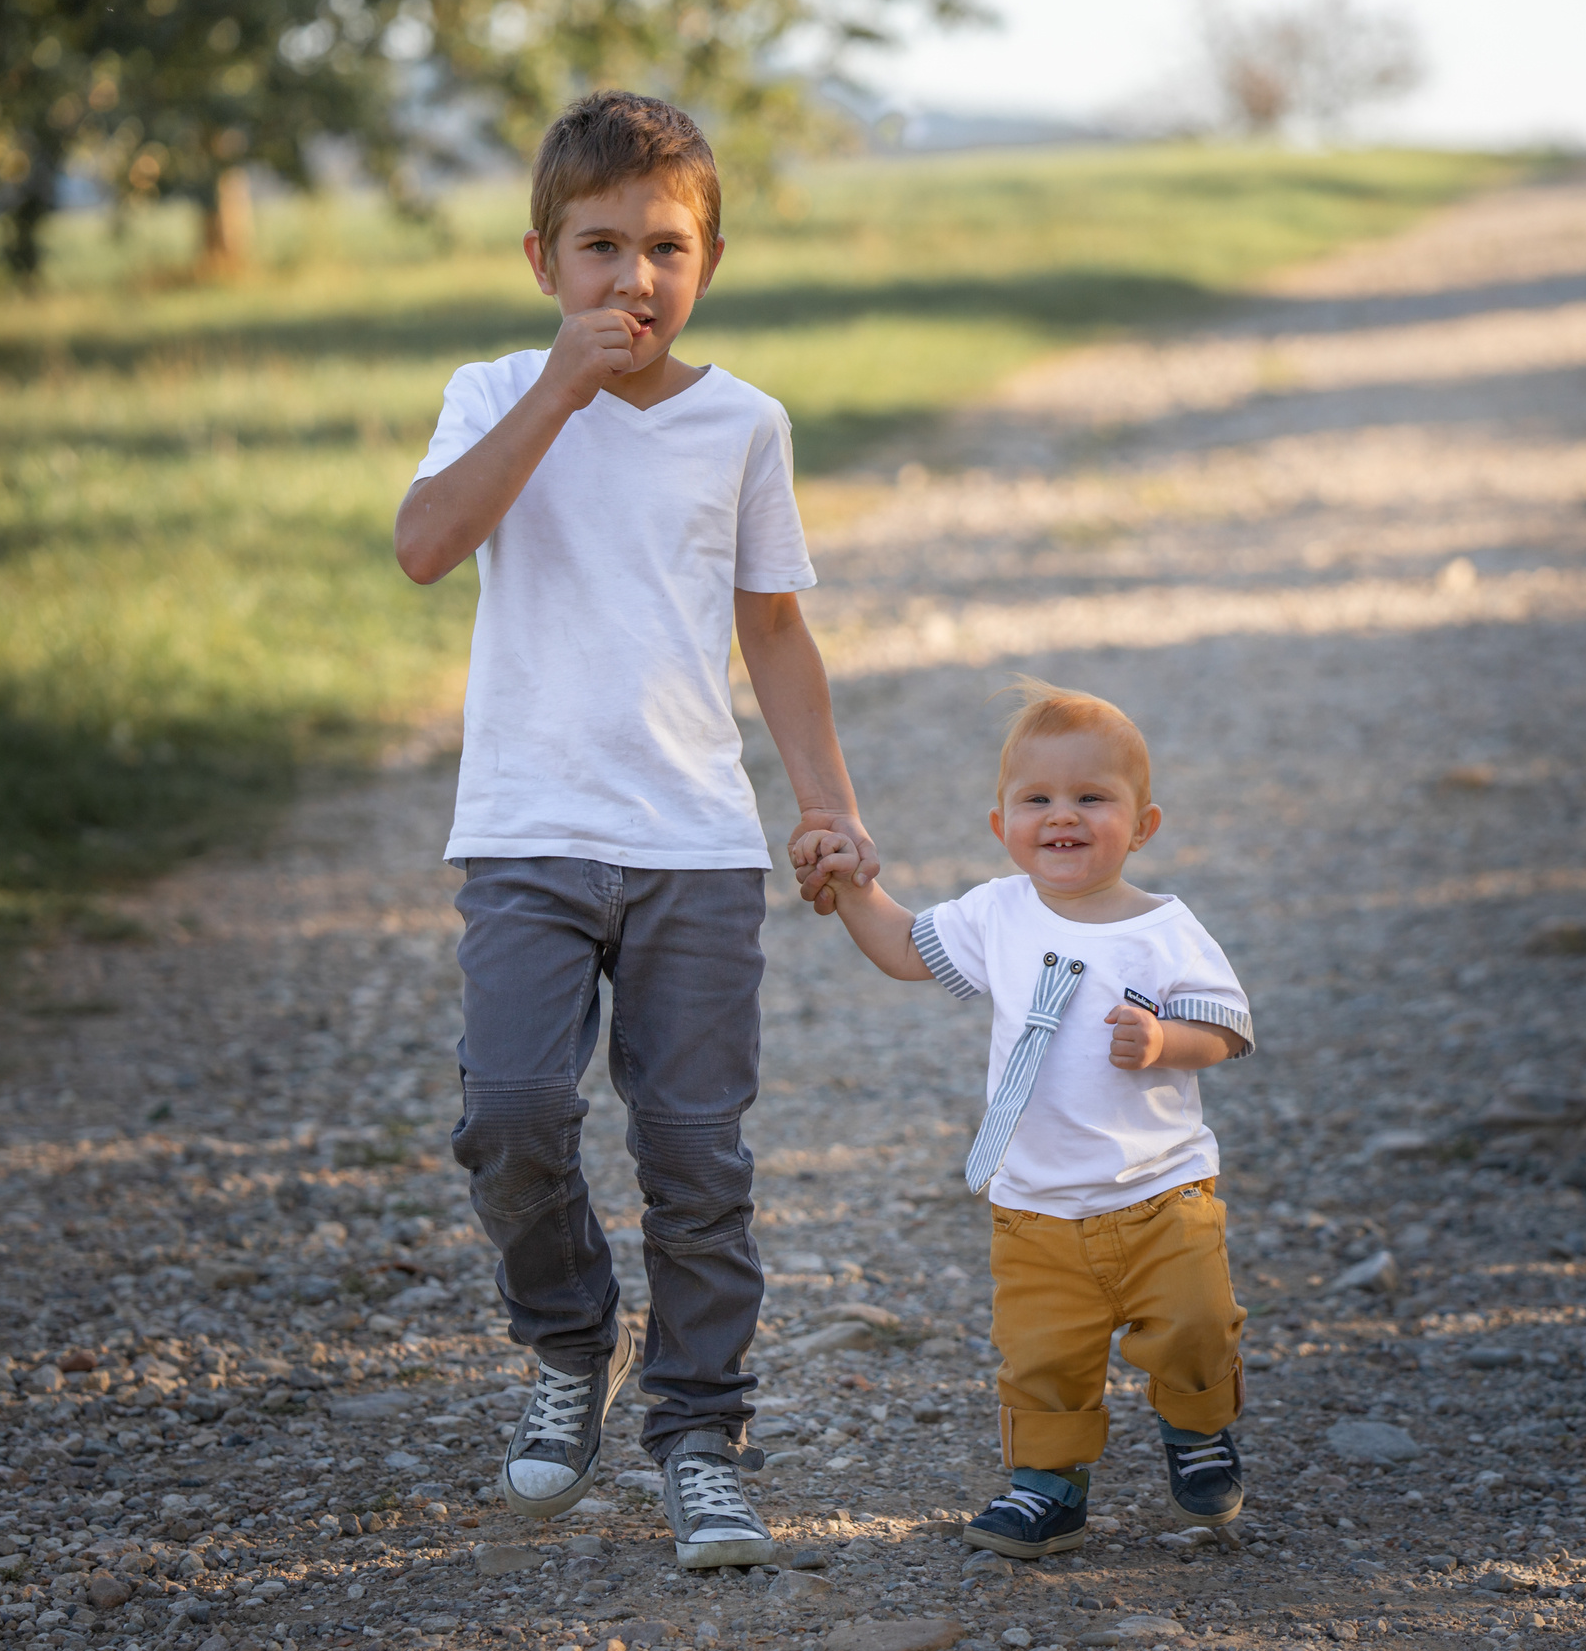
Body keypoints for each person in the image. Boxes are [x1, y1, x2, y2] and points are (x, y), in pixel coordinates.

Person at [392, 89, 873, 1570]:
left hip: (694, 846)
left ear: (708, 262)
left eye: (666, 248)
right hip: (529, 829)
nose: (633, 278)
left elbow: (775, 628)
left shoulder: (744, 425)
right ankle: (569, 1338)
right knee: (510, 1113)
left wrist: (828, 804)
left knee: (695, 1157)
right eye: (599, 247)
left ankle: (700, 1435)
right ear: (543, 260)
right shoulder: (494, 389)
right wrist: (557, 389)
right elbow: (424, 546)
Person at [791, 681, 1254, 1558]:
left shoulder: (1164, 927)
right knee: (1042, 1353)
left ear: (1143, 824)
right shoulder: (996, 912)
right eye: (1037, 799)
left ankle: (1198, 1428)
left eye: (1092, 797)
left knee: (1195, 1321)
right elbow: (903, 947)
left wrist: (1166, 1039)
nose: (1063, 815)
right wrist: (851, 885)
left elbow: (1226, 1027)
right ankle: (1048, 1484)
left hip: (1160, 1189)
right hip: (1034, 1201)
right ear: (1001, 823)